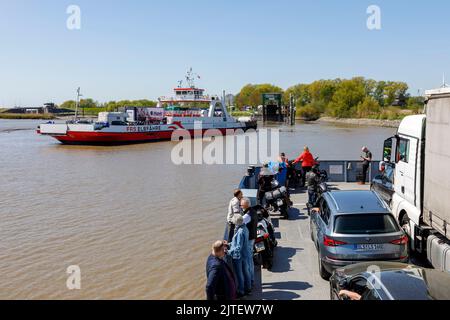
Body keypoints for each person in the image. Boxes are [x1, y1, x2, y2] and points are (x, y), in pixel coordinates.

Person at [227, 214, 252, 298]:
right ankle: (248, 288)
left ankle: (241, 291)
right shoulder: (245, 228)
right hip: (245, 254)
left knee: (239, 274)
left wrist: (228, 251)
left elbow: (238, 247)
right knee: (246, 271)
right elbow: (238, 243)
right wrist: (229, 244)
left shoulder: (240, 232)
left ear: (236, 222)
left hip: (239, 256)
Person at [241, 197, 257, 288]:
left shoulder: (247, 215)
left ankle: (250, 280)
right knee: (250, 259)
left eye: (242, 205)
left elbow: (239, 222)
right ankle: (251, 279)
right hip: (253, 237)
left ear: (246, 205)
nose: (241, 206)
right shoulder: (253, 211)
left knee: (248, 260)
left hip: (249, 239)